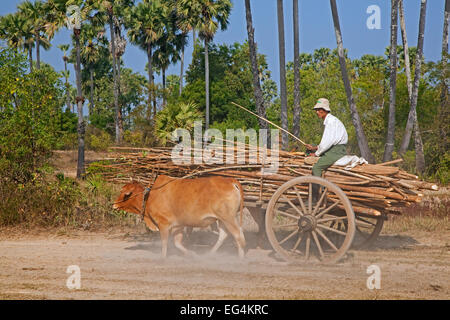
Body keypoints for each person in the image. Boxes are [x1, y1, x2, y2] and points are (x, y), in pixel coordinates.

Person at [306, 98, 348, 200]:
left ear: (324, 110)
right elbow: (328, 142)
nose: (317, 112)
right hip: (334, 149)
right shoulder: (331, 120)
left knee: (316, 168)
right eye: (316, 110)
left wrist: (316, 153)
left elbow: (327, 142)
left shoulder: (330, 122)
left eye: (319, 110)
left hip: (336, 151)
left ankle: (319, 196)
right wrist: (315, 148)